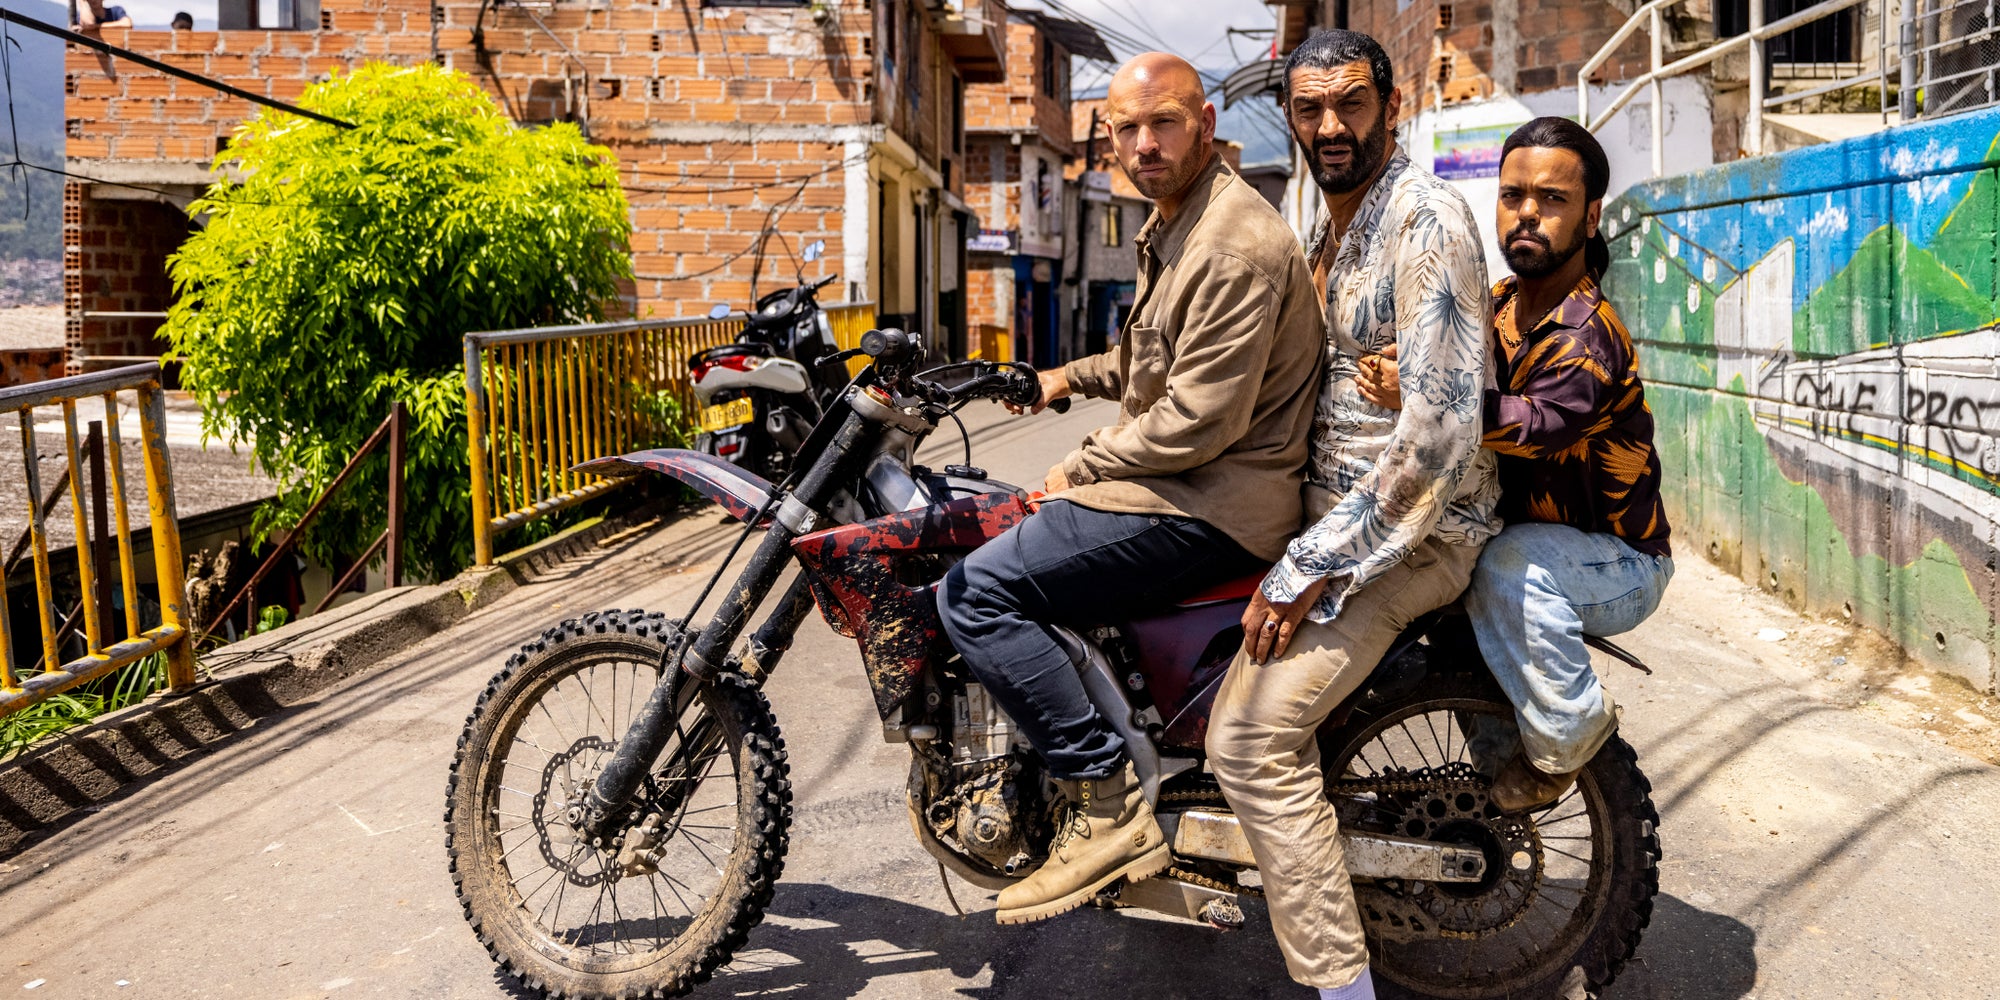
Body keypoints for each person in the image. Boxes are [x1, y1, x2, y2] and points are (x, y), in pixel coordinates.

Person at [936, 51, 1324, 926]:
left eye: (1165, 123)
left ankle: (1104, 805)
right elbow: (1153, 361)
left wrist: (1083, 465)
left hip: (1209, 502)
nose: (1144, 144)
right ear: (1107, 134)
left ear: (1206, 127)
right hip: (1192, 485)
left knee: (977, 590)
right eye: (1127, 128)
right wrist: (1059, 379)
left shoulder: (1232, 244)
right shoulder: (1180, 219)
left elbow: (1194, 421)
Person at [1204, 29, 1499, 1000]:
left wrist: (1310, 565)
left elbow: (1440, 438)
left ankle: (1340, 990)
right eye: (1308, 109)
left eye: (1350, 105)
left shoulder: (1422, 221)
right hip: (1329, 515)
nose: (1329, 126)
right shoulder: (1329, 213)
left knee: (1247, 739)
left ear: (1391, 102)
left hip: (1409, 538)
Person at [1356, 117, 1673, 813]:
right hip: (1528, 537)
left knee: (1504, 569)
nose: (1528, 212)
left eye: (1552, 199)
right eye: (1513, 195)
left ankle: (1569, 733)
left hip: (1617, 558)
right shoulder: (1498, 305)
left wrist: (1423, 392)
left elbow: (1537, 429)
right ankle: (1493, 800)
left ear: (1590, 217)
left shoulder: (1589, 336)